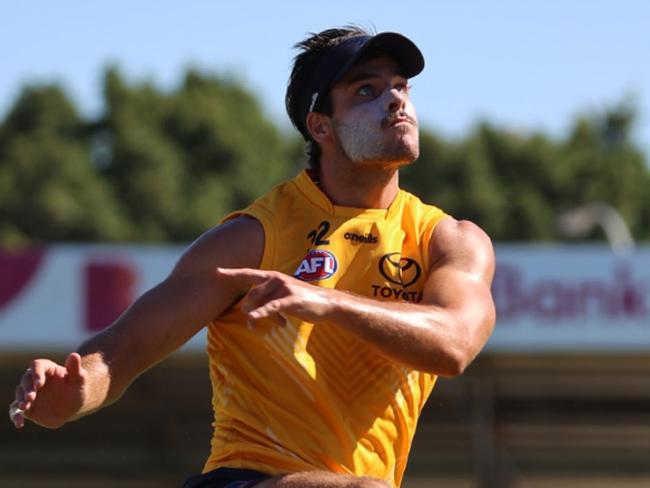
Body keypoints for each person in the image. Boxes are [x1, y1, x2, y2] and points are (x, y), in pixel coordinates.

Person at [9, 26, 496, 488]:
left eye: (401, 87)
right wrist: (76, 392)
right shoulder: (250, 238)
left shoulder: (449, 240)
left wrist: (330, 303)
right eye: (366, 91)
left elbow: (455, 345)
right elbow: (122, 351)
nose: (395, 99)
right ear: (320, 125)